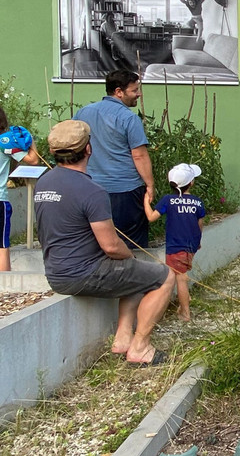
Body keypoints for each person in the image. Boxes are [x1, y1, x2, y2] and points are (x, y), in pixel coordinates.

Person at [34, 120, 174, 366]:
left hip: (55, 272)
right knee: (164, 276)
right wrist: (128, 257)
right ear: (88, 149)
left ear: (54, 152)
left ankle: (122, 339)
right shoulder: (92, 191)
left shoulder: (44, 183)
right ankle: (140, 347)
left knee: (136, 274)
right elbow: (110, 246)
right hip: (84, 274)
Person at [74, 69, 154, 250]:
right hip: (125, 190)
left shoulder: (83, 113)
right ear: (119, 92)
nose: (139, 94)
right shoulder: (129, 118)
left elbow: (72, 145)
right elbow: (139, 155)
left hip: (90, 188)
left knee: (94, 241)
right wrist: (150, 185)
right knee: (131, 244)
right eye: (135, 90)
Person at [144, 163, 206, 322]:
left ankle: (185, 312)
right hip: (191, 246)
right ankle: (183, 301)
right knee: (179, 274)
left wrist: (146, 201)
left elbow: (151, 217)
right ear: (191, 183)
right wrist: (197, 241)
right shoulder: (198, 202)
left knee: (180, 278)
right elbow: (200, 223)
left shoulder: (168, 200)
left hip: (175, 247)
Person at [0, 107, 39, 271]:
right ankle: (4, 287)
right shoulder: (4, 141)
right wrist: (30, 140)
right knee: (2, 246)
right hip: (0, 200)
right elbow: (33, 160)